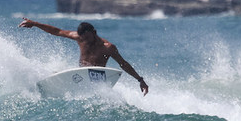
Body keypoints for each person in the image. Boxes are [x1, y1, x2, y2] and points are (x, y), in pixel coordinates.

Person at [19, 18, 149, 95]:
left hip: (97, 79)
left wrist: (140, 80)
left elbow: (123, 63)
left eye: (87, 38)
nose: (84, 41)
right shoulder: (79, 38)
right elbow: (57, 31)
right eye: (82, 38)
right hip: (81, 76)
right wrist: (35, 23)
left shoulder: (108, 47)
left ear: (94, 33)